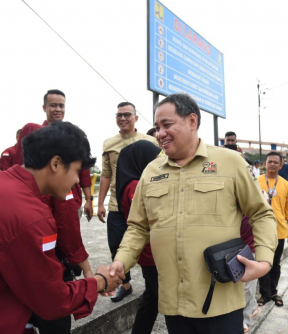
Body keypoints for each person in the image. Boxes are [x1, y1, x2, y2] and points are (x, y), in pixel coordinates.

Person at [109, 93, 278, 334]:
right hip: (173, 304)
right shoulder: (151, 171)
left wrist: (263, 261)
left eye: (167, 125)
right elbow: (138, 227)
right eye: (157, 127)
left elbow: (261, 213)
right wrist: (121, 261)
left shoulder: (230, 162)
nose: (160, 133)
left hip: (221, 300)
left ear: (192, 121)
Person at [0, 122, 123, 334]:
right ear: (56, 163)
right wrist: (100, 281)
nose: (77, 180)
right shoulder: (32, 216)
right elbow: (51, 299)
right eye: (77, 171)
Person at [13, 90, 95, 334]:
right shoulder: (50, 197)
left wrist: (88, 198)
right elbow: (67, 226)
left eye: (62, 105)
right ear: (56, 163)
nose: (58, 109)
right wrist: (91, 275)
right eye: (53, 105)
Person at [97, 102, 158, 302]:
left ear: (136, 117)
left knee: (148, 245)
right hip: (117, 203)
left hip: (142, 202)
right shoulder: (109, 143)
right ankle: (125, 284)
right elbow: (106, 174)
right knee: (116, 244)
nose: (123, 118)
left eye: (127, 115)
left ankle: (153, 283)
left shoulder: (149, 141)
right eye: (119, 115)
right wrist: (100, 204)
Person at [116, 140, 162, 334]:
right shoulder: (135, 186)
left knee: (152, 298)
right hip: (153, 254)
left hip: (148, 252)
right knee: (166, 300)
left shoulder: (130, 182)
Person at [256, 152, 288, 307]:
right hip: (260, 231)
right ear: (265, 164)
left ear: (281, 165)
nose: (272, 164)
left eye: (275, 162)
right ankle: (264, 294)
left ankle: (273, 291)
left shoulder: (285, 185)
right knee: (262, 262)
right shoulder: (256, 181)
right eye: (269, 161)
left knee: (275, 264)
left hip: (279, 231)